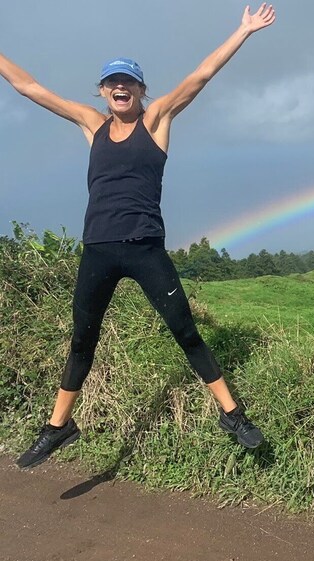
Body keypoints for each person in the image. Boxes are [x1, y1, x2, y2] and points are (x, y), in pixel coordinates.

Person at [0, 4, 277, 469]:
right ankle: (58, 427)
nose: (120, 88)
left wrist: (243, 31)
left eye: (128, 82)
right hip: (98, 252)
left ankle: (233, 416)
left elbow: (202, 75)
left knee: (185, 332)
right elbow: (28, 87)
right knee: (81, 342)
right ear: (103, 92)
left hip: (145, 248)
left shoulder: (158, 121)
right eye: (112, 83)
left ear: (142, 90)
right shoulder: (92, 123)